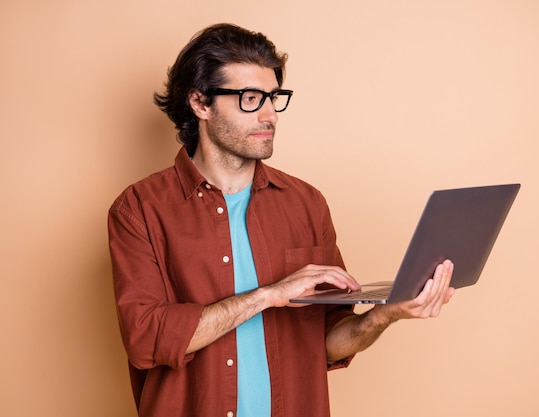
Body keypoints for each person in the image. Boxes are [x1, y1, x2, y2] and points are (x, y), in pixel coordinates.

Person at [108, 23, 455, 417]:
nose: (270, 114)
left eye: (274, 98)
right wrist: (270, 294)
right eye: (251, 98)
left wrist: (385, 314)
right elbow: (147, 338)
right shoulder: (138, 209)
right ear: (201, 103)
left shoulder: (307, 204)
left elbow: (325, 341)